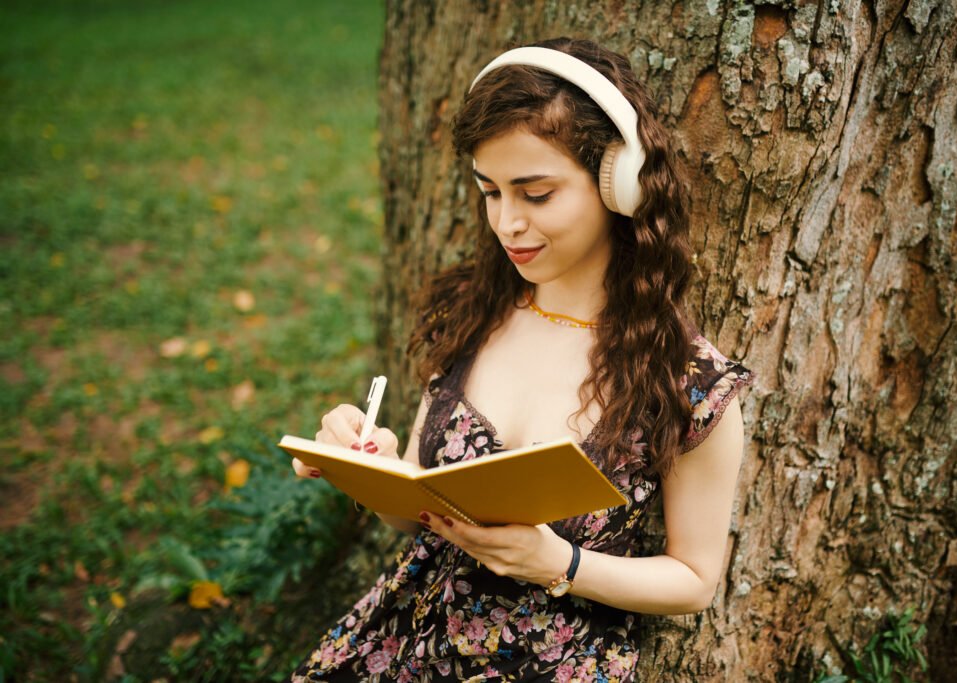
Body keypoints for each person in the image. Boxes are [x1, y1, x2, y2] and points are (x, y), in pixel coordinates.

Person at [289, 36, 754, 683]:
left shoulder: (686, 379)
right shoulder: (473, 313)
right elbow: (418, 517)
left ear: (617, 185)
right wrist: (371, 465)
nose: (507, 222)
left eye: (535, 195)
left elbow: (696, 580)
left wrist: (560, 564)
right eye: (491, 192)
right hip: (405, 645)